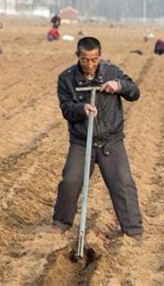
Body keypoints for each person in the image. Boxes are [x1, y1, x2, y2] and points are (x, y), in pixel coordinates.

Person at [52, 37, 143, 239]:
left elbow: (134, 92)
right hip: (82, 140)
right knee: (70, 180)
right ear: (78, 56)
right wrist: (81, 109)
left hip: (111, 139)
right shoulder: (66, 78)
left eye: (94, 60)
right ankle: (61, 222)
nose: (90, 64)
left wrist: (119, 85)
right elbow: (66, 108)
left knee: (123, 183)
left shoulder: (112, 72)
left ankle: (133, 229)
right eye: (85, 60)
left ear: (99, 57)